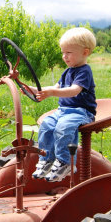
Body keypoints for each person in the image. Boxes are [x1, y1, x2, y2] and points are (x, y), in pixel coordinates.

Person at [28, 27, 97, 182]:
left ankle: (65, 162)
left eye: (69, 52)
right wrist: (35, 90)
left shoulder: (84, 71)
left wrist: (51, 93)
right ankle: (46, 159)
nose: (64, 56)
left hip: (81, 112)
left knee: (63, 128)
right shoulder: (67, 71)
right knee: (46, 125)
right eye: (63, 52)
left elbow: (74, 91)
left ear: (85, 52)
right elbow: (56, 87)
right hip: (63, 110)